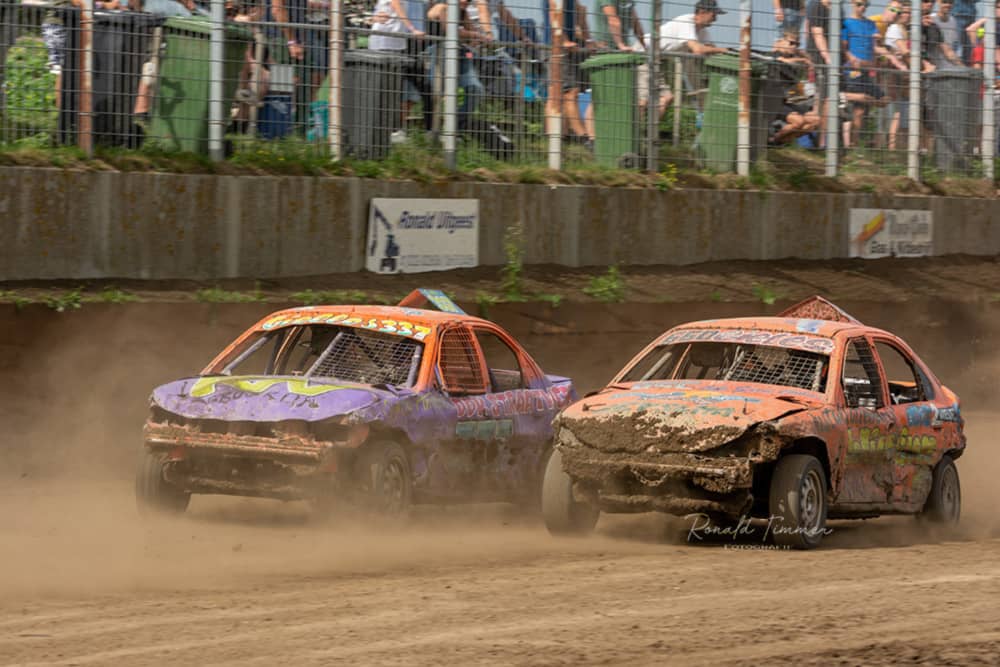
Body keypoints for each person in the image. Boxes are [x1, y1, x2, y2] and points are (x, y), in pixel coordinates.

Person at [639, 0, 728, 123]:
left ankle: (648, 133)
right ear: (702, 12)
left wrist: (729, 53)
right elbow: (698, 49)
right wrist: (723, 50)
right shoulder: (686, 22)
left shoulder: (702, 31)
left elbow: (711, 48)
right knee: (642, 101)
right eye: (714, 15)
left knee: (666, 98)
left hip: (655, 62)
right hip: (642, 55)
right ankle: (635, 136)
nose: (715, 19)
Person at [841, 0, 905, 149]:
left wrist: (894, 59)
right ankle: (852, 146)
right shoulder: (846, 23)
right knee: (858, 110)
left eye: (865, 5)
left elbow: (877, 47)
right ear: (852, 3)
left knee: (882, 100)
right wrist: (851, 58)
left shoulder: (870, 24)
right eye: (859, 4)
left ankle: (845, 97)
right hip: (853, 71)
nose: (862, 7)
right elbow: (843, 47)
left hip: (866, 71)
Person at [369, 0, 434, 144]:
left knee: (402, 88)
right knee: (390, 89)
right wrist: (412, 29)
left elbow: (380, 13)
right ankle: (391, 131)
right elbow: (395, 5)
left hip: (398, 44)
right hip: (385, 43)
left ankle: (422, 131)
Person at [426, 0, 487, 132]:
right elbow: (450, 30)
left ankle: (455, 128)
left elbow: (472, 34)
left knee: (475, 90)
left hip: (460, 54)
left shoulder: (463, 13)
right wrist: (474, 35)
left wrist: (475, 37)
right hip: (438, 54)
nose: (467, 3)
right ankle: (433, 132)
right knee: (436, 93)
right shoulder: (440, 8)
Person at [768, 29, 821, 145]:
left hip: (789, 99)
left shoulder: (794, 62)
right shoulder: (774, 55)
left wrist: (806, 57)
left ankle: (782, 141)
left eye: (797, 44)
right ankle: (773, 140)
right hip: (774, 101)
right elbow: (782, 61)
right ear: (780, 42)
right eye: (791, 43)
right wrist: (803, 59)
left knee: (815, 121)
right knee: (799, 122)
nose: (794, 47)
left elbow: (798, 89)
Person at [806, 0, 832, 147]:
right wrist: (828, 57)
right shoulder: (817, 6)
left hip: (829, 61)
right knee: (819, 101)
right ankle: (814, 142)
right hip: (820, 59)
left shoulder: (835, 8)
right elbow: (817, 33)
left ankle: (821, 142)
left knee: (827, 101)